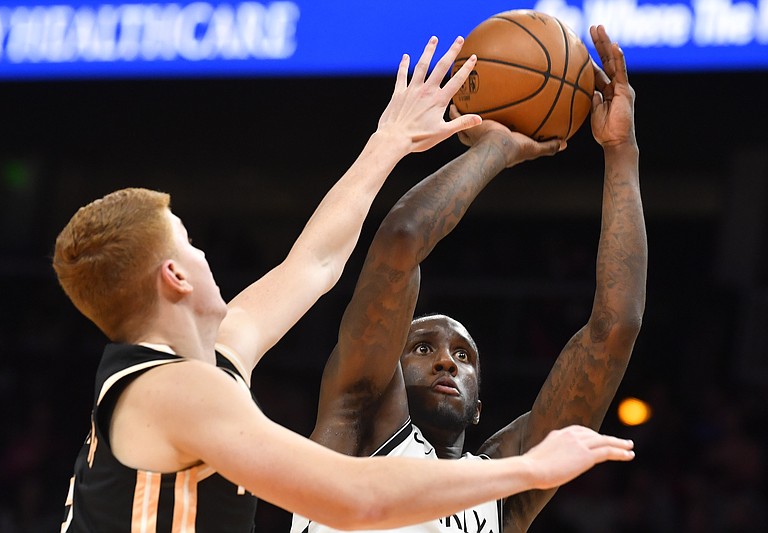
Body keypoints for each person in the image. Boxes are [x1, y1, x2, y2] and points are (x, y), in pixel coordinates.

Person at [52, 34, 636, 533]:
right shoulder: (173, 389)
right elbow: (356, 499)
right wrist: (532, 468)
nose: (207, 254)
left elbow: (314, 263)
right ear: (175, 276)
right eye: (190, 243)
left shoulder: (216, 357)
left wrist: (391, 138)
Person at [292, 25, 645, 533]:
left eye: (463, 356)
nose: (444, 361)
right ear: (384, 357)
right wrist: (495, 148)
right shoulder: (359, 414)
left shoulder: (502, 489)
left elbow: (615, 328)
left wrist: (620, 151)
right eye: (420, 347)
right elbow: (401, 242)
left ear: (479, 406)